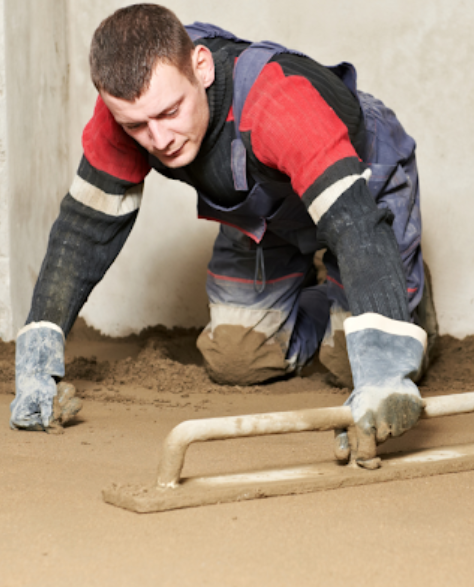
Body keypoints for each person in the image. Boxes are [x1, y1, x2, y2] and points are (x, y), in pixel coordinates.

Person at [11, 4, 437, 467]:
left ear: (202, 67)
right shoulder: (126, 110)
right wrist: (37, 358)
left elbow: (353, 225)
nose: (158, 139)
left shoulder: (280, 104)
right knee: (238, 356)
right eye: (137, 126)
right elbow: (84, 228)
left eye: (170, 112)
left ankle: (403, 297)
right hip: (266, 207)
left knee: (355, 361)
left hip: (358, 184)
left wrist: (382, 374)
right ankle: (329, 292)